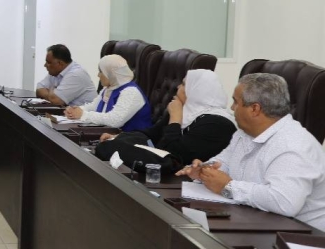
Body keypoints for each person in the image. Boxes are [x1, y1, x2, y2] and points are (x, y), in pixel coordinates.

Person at [176, 73, 325, 230]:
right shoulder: (245, 133)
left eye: (236, 102)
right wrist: (205, 170)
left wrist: (228, 187)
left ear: (254, 109)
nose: (232, 108)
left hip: (301, 235)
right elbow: (224, 162)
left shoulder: (293, 144)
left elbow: (284, 202)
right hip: (258, 221)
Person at [95, 70, 236, 173]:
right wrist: (120, 137)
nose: (178, 87)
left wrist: (175, 120)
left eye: (183, 84)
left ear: (196, 91)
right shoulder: (186, 112)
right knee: (110, 147)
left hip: (182, 180)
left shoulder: (217, 124)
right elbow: (151, 134)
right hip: (165, 173)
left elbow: (173, 155)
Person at [64, 54, 151, 131]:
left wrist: (83, 115)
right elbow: (94, 107)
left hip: (132, 140)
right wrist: (75, 110)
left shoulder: (131, 92)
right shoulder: (109, 88)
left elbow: (115, 120)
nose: (98, 75)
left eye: (101, 71)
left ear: (111, 73)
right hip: (110, 136)